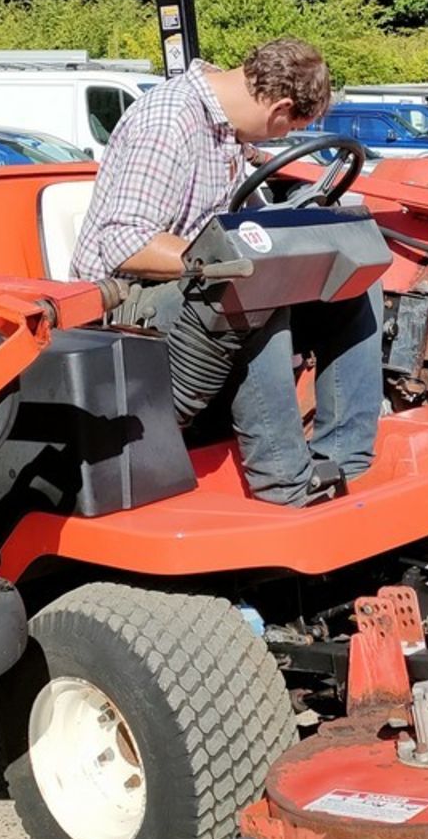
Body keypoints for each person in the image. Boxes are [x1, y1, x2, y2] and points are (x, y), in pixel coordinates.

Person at [70, 38, 383, 506]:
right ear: (279, 109)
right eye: (289, 128)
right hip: (121, 304)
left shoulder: (227, 133)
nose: (277, 141)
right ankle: (285, 485)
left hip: (192, 289)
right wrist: (235, 261)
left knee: (353, 280)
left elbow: (244, 222)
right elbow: (124, 242)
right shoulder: (170, 122)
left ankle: (344, 460)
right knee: (255, 284)